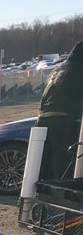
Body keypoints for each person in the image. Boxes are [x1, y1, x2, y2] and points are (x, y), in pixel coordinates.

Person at [35, 41, 83, 179]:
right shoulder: (78, 70)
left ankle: (43, 193)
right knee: (64, 162)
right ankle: (62, 195)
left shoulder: (58, 69)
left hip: (42, 118)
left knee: (44, 162)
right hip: (64, 121)